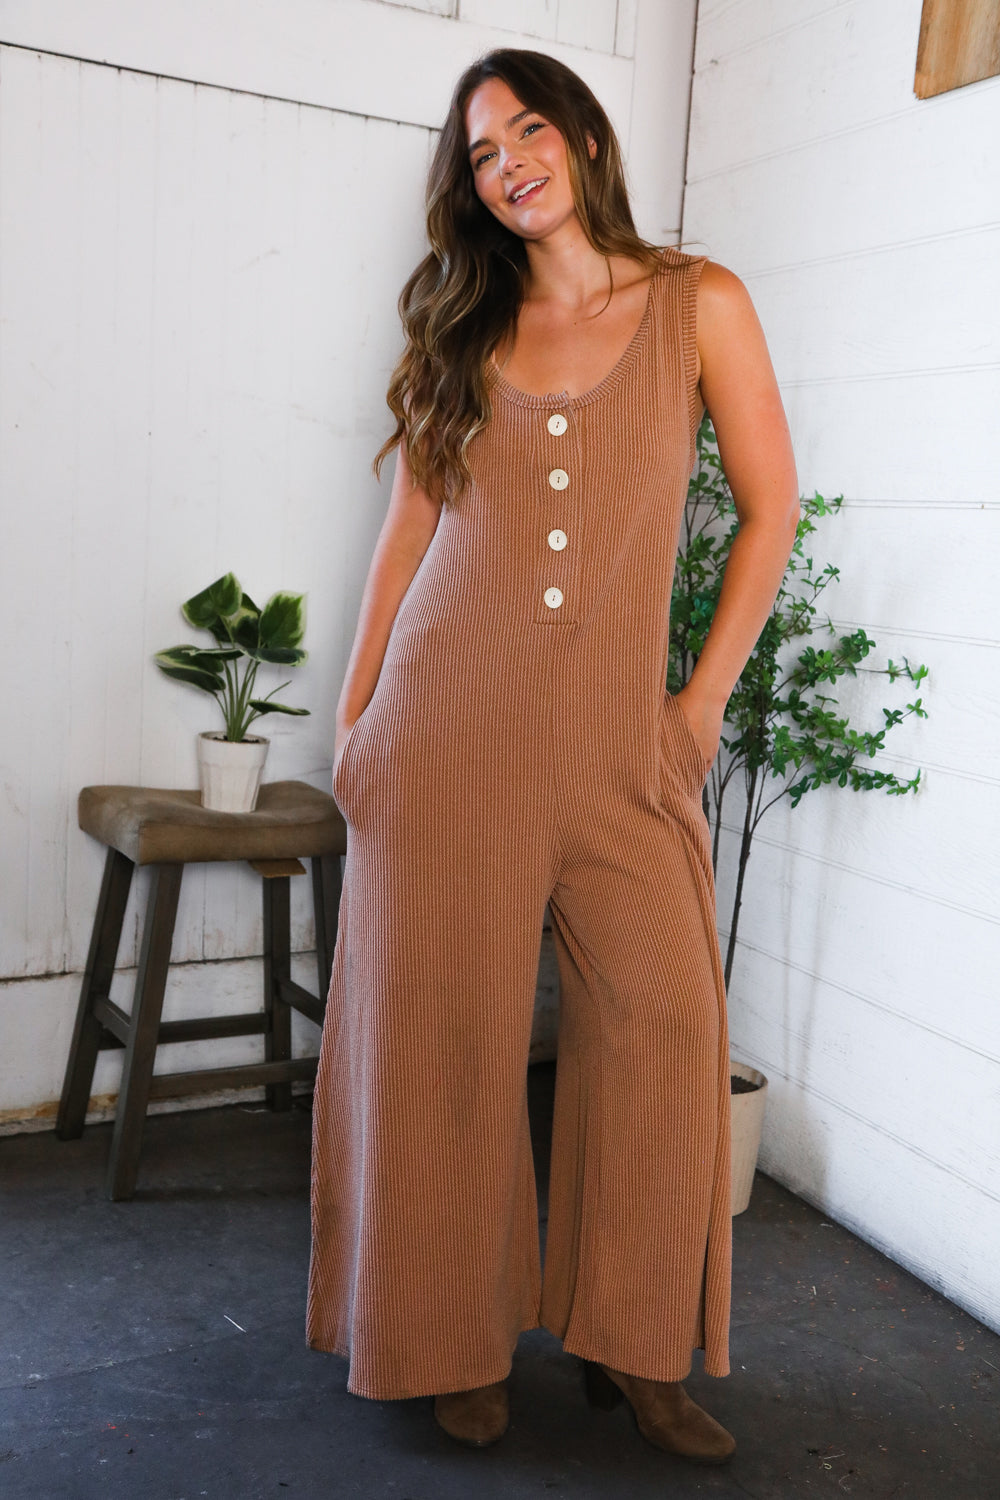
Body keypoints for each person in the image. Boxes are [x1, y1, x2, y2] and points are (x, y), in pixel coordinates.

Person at [306, 48, 799, 1465]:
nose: (509, 159)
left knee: (661, 1031)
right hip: (442, 741)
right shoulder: (464, 335)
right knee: (444, 1051)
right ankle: (451, 1344)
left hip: (616, 752)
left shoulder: (699, 302)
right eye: (480, 151)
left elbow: (770, 510)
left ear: (581, 135)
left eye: (528, 128)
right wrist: (355, 727)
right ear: (470, 188)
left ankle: (634, 1346)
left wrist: (699, 704)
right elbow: (408, 541)